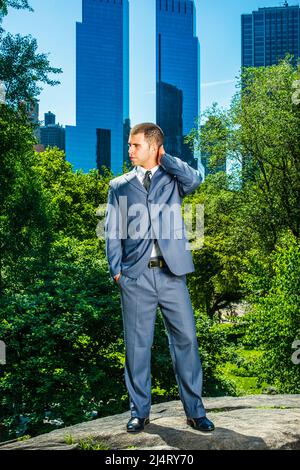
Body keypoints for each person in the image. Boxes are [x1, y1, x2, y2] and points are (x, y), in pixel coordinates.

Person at [105, 122, 215, 433]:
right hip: (136, 277)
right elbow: (112, 232)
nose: (130, 150)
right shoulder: (120, 186)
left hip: (173, 275)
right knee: (138, 347)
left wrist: (166, 158)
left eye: (136, 145)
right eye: (129, 145)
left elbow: (195, 179)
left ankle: (195, 412)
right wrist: (117, 273)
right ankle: (139, 413)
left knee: (187, 341)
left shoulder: (173, 179)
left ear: (153, 147)